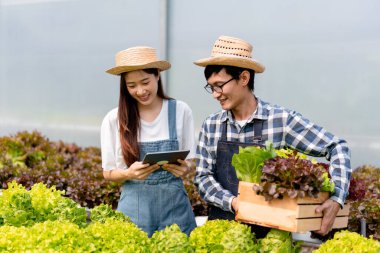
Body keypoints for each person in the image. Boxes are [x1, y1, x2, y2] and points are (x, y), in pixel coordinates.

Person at [193, 35, 351, 237]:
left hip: (270, 239)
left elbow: (337, 146)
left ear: (243, 78)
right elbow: (203, 176)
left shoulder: (281, 120)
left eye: (220, 85)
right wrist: (233, 202)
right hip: (222, 236)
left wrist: (337, 198)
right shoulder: (212, 125)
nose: (215, 94)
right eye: (211, 87)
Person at [101, 46, 197, 237]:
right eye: (132, 85)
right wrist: (129, 173)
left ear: (157, 76)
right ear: (124, 86)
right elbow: (108, 172)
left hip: (175, 210)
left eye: (145, 82)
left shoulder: (180, 111)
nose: (140, 91)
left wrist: (185, 169)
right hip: (134, 210)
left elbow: (191, 161)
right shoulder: (114, 119)